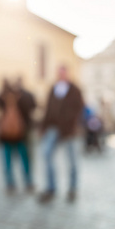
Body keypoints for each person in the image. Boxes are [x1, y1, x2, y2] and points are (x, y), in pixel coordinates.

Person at [38, 65, 84, 203]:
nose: (61, 76)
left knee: (72, 161)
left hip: (68, 130)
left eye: (63, 73)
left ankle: (72, 189)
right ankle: (51, 188)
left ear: (67, 74)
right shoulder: (53, 88)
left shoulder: (75, 90)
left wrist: (70, 123)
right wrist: (43, 127)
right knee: (46, 155)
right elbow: (48, 109)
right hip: (53, 128)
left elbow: (79, 109)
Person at [0, 78, 34, 194]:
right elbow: (32, 106)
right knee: (24, 160)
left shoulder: (4, 97)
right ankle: (27, 182)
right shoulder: (22, 96)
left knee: (9, 161)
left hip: (10, 135)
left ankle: (11, 184)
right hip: (19, 135)